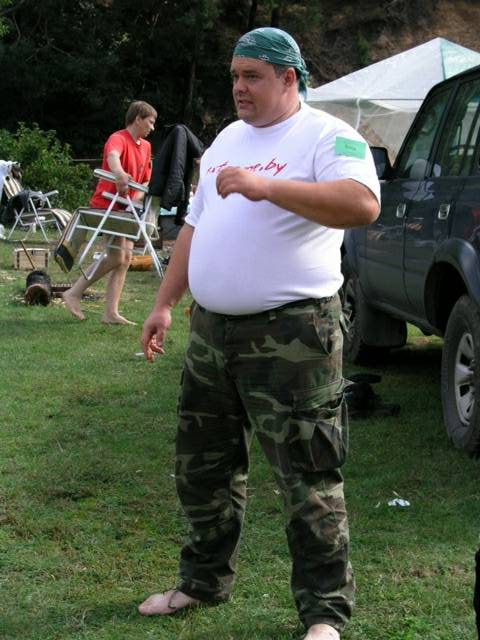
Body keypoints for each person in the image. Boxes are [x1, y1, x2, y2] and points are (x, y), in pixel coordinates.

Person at [138, 27, 380, 640]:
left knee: (307, 475)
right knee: (204, 467)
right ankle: (202, 581)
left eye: (252, 76)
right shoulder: (226, 138)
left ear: (288, 78)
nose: (239, 87)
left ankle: (324, 614)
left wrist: (266, 186)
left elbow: (361, 204)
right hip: (212, 333)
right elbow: (195, 226)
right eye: (234, 76)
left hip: (293, 334)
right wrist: (165, 303)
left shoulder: (328, 135)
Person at [62, 100, 157, 325]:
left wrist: (135, 200)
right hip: (107, 205)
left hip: (127, 208)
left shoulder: (146, 147)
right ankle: (74, 293)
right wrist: (119, 174)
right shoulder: (118, 138)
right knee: (117, 257)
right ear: (138, 119)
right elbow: (113, 157)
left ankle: (110, 313)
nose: (152, 128)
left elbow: (146, 179)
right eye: (150, 122)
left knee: (125, 259)